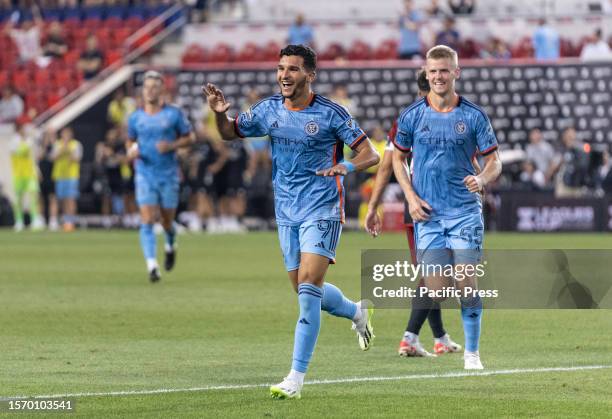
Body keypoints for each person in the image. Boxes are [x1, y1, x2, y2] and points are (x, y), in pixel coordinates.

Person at [203, 44, 380, 399]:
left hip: (323, 207)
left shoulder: (332, 113)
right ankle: (356, 311)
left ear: (310, 74)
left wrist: (345, 166)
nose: (285, 75)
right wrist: (220, 115)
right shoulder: (268, 110)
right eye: (281, 68)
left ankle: (295, 379)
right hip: (286, 212)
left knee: (309, 287)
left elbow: (370, 153)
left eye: (293, 69)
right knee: (303, 289)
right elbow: (229, 132)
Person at [391, 45, 502, 370]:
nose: (438, 76)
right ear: (426, 74)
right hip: (428, 215)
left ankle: (472, 353)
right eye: (433, 71)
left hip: (464, 212)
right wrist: (410, 198)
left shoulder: (473, 115)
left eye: (444, 70)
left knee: (467, 281)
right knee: (436, 288)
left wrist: (481, 179)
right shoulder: (412, 115)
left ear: (456, 72)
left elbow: (494, 161)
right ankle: (431, 334)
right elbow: (397, 158)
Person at [365, 70, 462, 357]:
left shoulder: (405, 120)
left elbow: (386, 166)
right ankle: (409, 337)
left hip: (418, 209)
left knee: (433, 276)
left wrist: (373, 207)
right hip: (436, 209)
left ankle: (440, 338)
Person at [126, 70, 195, 282]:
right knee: (147, 219)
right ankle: (152, 265)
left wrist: (172, 145)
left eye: (154, 87)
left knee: (166, 221)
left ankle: (170, 243)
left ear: (162, 89)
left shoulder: (173, 114)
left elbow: (190, 137)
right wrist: (133, 150)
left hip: (168, 174)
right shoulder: (135, 117)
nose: (150, 91)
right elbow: (130, 141)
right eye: (147, 87)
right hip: (144, 173)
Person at [9, 123, 44, 231]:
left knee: (33, 197)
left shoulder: (29, 141)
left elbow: (33, 158)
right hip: (18, 174)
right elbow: (19, 152)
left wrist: (37, 171)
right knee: (19, 199)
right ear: (18, 129)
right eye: (23, 129)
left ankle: (35, 220)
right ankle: (19, 221)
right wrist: (29, 142)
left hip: (30, 174)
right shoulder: (13, 141)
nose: (25, 131)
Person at [51, 126, 82, 232]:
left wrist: (68, 150)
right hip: (60, 175)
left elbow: (77, 158)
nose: (66, 136)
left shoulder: (76, 144)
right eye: (64, 134)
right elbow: (53, 157)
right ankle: (65, 220)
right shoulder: (57, 144)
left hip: (72, 175)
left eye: (68, 134)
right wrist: (62, 149)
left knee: (71, 199)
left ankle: (71, 221)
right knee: (62, 199)